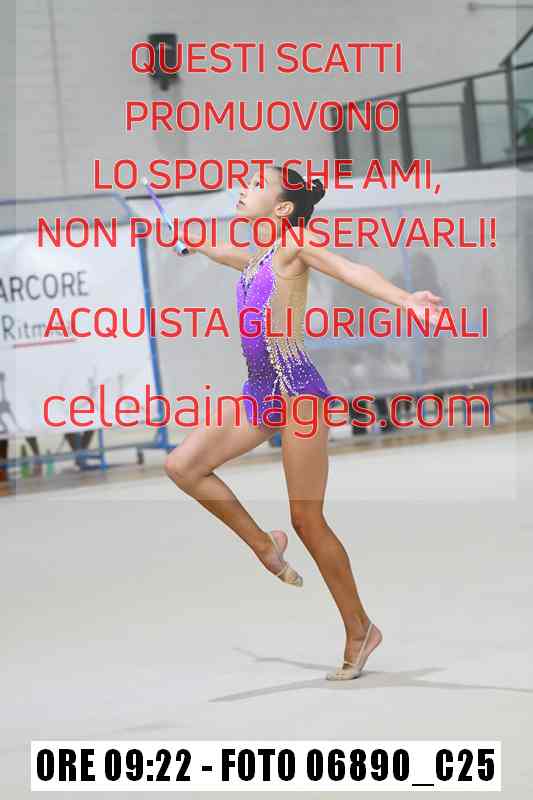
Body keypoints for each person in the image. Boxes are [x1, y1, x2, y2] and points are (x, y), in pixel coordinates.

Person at [164, 165, 443, 680]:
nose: (243, 188)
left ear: (283, 208)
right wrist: (192, 242)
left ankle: (360, 628)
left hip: (298, 395)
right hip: (261, 392)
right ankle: (264, 545)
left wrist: (406, 300)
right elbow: (225, 253)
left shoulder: (294, 245)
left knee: (308, 521)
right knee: (183, 465)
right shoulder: (257, 258)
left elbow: (348, 269)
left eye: (256, 185)